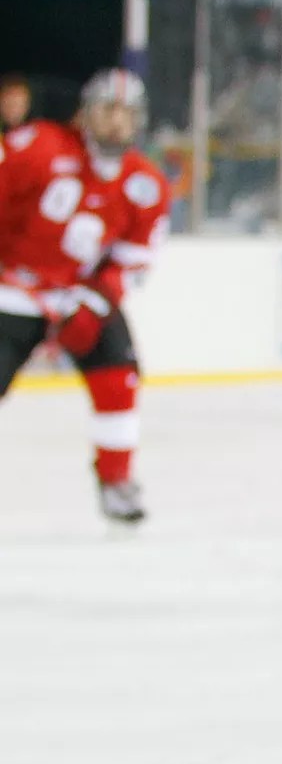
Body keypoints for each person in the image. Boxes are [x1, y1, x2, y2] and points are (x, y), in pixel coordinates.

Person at [0, 68, 168, 524]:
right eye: (107, 110)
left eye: (126, 113)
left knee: (118, 377)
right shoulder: (36, 147)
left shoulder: (145, 183)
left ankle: (116, 482)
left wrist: (96, 302)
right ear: (84, 113)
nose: (116, 122)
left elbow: (135, 261)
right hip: (12, 291)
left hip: (80, 294)